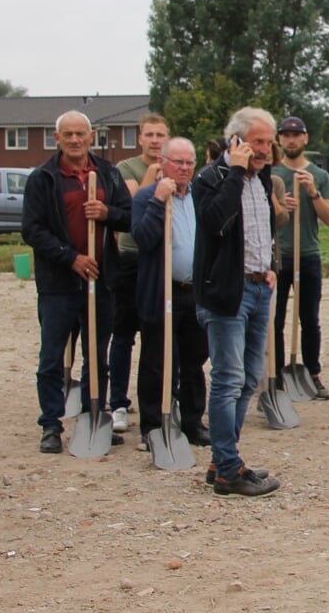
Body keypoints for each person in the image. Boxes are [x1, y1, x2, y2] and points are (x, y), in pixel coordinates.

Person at [23, 110, 133, 454]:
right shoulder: (43, 177)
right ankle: (51, 424)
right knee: (52, 357)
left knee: (97, 354)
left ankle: (93, 414)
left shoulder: (108, 175)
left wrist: (107, 214)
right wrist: (71, 258)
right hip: (59, 283)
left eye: (80, 134)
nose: (74, 140)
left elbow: (130, 218)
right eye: (67, 134)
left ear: (90, 137)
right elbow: (32, 230)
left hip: (100, 279)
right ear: (57, 139)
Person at [193, 107, 283, 498]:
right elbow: (215, 222)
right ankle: (229, 469)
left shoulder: (262, 180)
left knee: (248, 379)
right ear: (237, 141)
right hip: (226, 292)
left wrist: (271, 265)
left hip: (259, 287)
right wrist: (234, 171)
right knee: (227, 379)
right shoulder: (211, 178)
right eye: (257, 142)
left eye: (268, 142)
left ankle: (222, 459)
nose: (264, 150)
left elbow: (262, 229)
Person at [130, 137, 211, 448]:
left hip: (195, 291)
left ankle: (192, 422)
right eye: (178, 162)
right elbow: (144, 238)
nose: (185, 168)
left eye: (190, 162)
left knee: (195, 360)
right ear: (162, 162)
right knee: (157, 360)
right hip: (161, 291)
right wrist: (157, 202)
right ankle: (152, 425)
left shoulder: (198, 197)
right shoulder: (147, 196)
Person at [107, 113, 170, 435]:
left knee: (158, 335)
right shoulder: (127, 168)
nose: (156, 140)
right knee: (123, 333)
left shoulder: (175, 167)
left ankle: (160, 398)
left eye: (161, 135)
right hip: (132, 256)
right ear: (140, 138)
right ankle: (117, 401)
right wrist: (151, 176)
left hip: (163, 259)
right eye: (150, 135)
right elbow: (134, 205)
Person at [272, 116, 329, 401]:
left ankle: (312, 373)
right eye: (285, 135)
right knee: (274, 319)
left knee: (309, 318)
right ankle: (275, 375)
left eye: (296, 135)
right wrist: (279, 206)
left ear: (305, 139)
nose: (291, 140)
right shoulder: (272, 175)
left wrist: (312, 193)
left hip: (307, 254)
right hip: (277, 256)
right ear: (280, 140)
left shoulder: (319, 175)